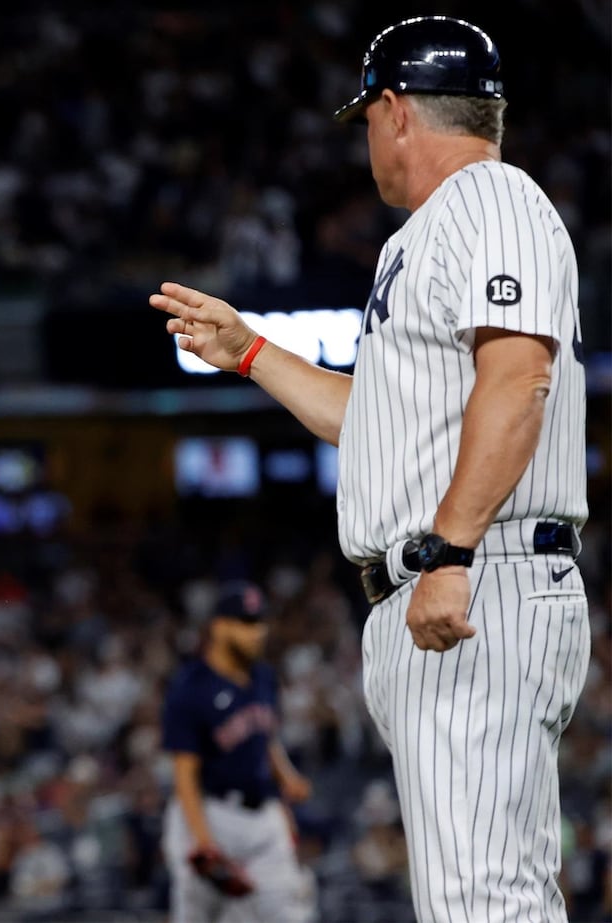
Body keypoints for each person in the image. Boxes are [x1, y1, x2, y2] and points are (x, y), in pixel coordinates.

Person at [150, 16, 590, 923]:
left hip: (480, 577)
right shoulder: (419, 241)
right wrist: (251, 352)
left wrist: (450, 552)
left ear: (394, 111)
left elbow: (520, 381)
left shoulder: (489, 199)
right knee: (490, 891)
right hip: (453, 582)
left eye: (367, 122)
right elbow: (377, 425)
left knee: (482, 899)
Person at [161, 580, 315, 923]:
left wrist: (286, 777)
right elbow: (184, 775)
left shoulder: (263, 676)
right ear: (219, 627)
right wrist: (204, 842)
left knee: (289, 914)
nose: (257, 632)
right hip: (210, 812)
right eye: (246, 624)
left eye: (259, 622)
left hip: (263, 814)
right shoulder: (190, 687)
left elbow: (265, 738)